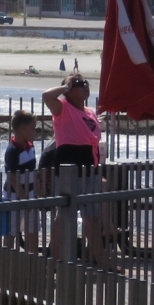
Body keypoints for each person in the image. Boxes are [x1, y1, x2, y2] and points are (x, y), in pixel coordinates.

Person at [41, 73, 111, 267]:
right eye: (78, 84)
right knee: (64, 218)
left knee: (93, 218)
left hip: (89, 167)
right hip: (68, 168)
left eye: (85, 83)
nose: (84, 86)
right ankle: (54, 260)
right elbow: (46, 96)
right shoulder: (63, 108)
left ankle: (102, 260)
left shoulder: (89, 112)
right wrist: (66, 86)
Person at [2, 111, 41, 251]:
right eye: (33, 128)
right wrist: (24, 198)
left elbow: (33, 171)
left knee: (32, 229)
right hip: (15, 195)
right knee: (11, 230)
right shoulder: (12, 150)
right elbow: (13, 178)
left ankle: (31, 258)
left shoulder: (30, 146)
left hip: (30, 193)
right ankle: (6, 257)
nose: (35, 131)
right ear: (23, 128)